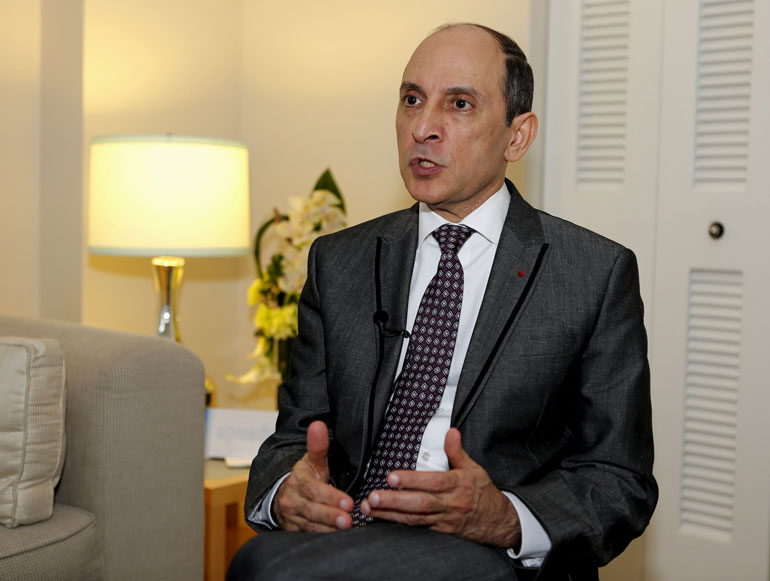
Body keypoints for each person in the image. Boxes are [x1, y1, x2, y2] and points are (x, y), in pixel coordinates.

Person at [228, 22, 657, 581]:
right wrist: (288, 490)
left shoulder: (592, 274)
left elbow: (620, 480)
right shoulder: (340, 261)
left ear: (517, 136)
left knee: (266, 568)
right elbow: (292, 437)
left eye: (459, 104)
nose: (423, 128)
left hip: (490, 553)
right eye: (412, 100)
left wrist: (504, 517)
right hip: (348, 533)